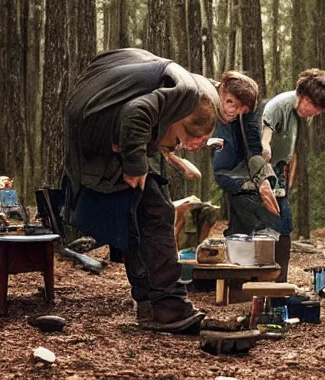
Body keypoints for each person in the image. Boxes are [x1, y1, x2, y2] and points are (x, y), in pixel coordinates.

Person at [64, 48, 222, 333]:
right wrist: (135, 162)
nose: (177, 145)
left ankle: (151, 307)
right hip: (96, 149)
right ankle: (168, 307)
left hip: (92, 142)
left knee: (138, 218)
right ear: (182, 120)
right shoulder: (183, 95)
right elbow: (135, 112)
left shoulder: (172, 87)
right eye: (182, 139)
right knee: (156, 213)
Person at [261, 69, 325, 282]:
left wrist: (289, 175)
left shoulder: (299, 113)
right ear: (304, 97)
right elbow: (265, 134)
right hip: (263, 171)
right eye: (315, 107)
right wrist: (265, 149)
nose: (317, 112)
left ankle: (280, 281)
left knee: (284, 224)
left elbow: (291, 147)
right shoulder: (279, 106)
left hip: (280, 172)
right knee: (267, 225)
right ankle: (264, 283)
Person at [212, 72, 281, 243]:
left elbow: (252, 141)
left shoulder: (246, 112)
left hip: (237, 160)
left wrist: (263, 179)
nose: (234, 113)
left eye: (241, 110)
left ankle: (243, 239)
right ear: (222, 93)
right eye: (231, 104)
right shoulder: (201, 93)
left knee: (248, 189)